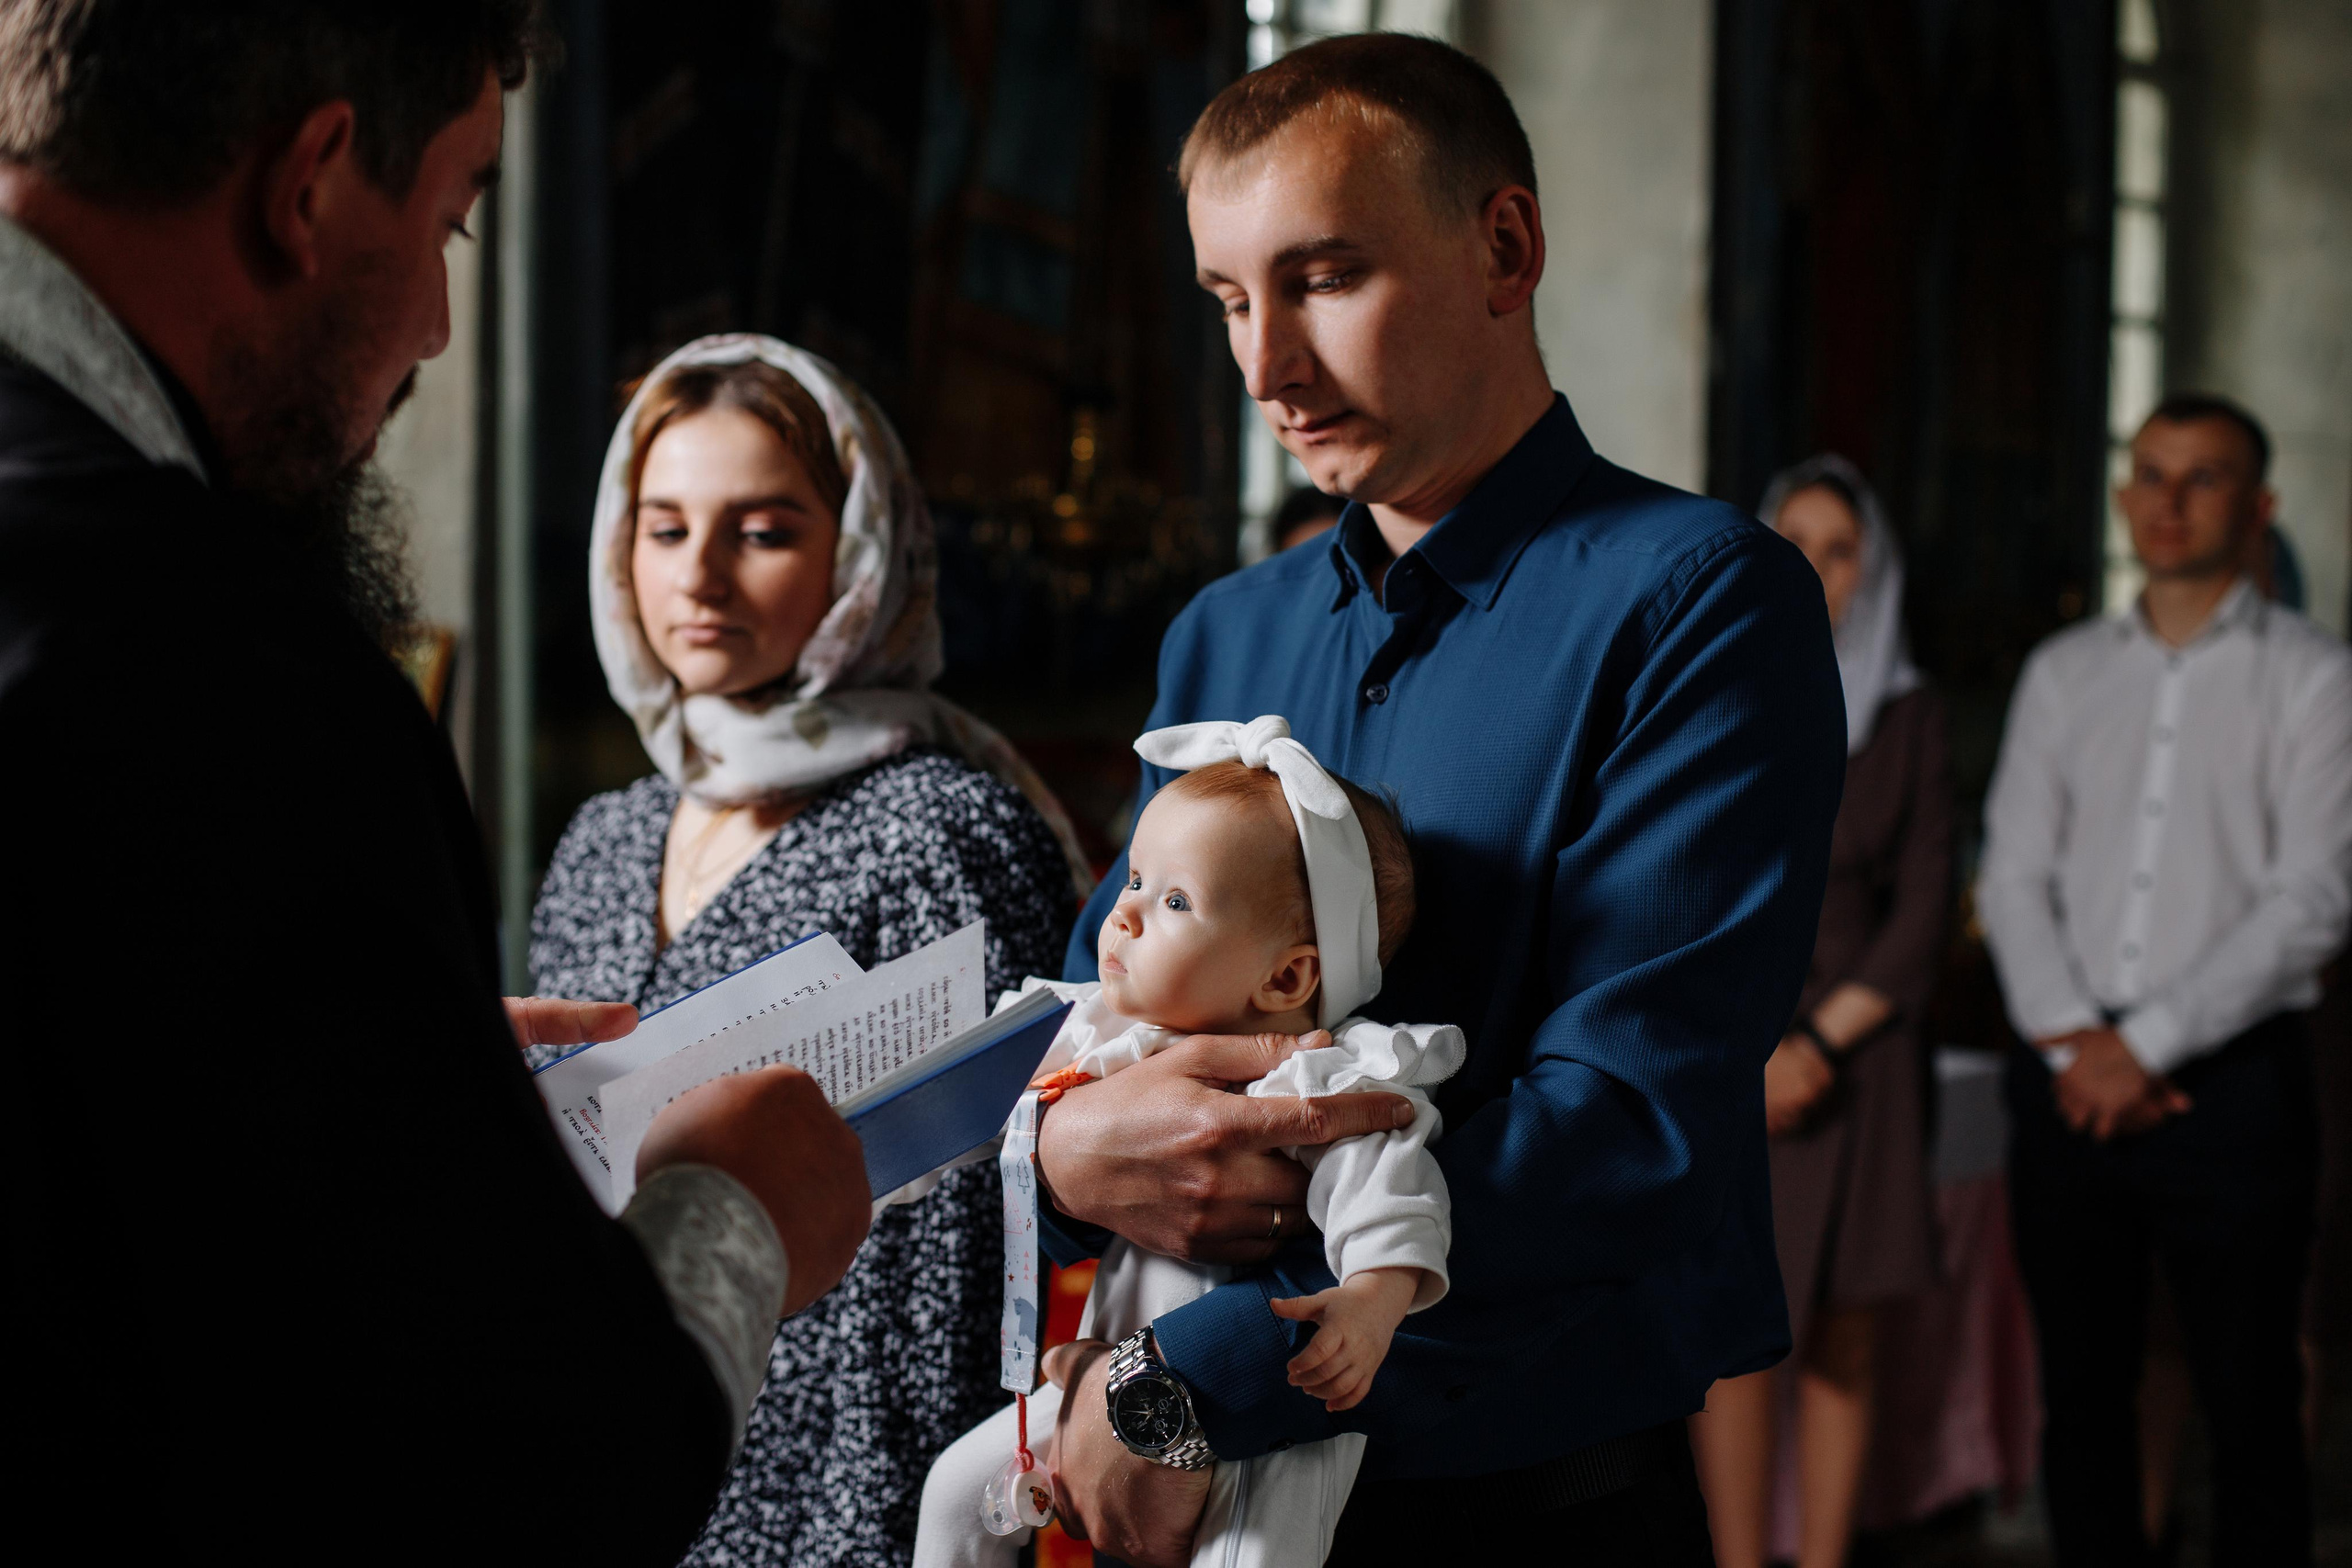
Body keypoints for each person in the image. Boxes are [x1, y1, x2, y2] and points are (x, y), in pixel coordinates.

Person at [2, 6, 871, 1561]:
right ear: (313, 182)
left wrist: (379, 1068)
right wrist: (736, 1211)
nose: (438, 329)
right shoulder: (221, 666)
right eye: (452, 222)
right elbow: (506, 1475)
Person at [1023, 34, 1848, 1568]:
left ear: (1505, 248)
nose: (1266, 365)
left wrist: (1186, 1386)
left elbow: (1627, 1126)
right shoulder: (1225, 635)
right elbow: (1099, 1017)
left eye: (1325, 278)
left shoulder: (1699, 602)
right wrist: (1061, 1160)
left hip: (1517, 1502)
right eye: (1229, 300)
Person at [532, 333, 1083, 1566]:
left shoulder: (944, 829)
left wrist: (876, 1533)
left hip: (836, 1482)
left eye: (763, 531)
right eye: (664, 528)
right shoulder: (602, 838)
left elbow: (958, 1256)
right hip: (611, 1441)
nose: (699, 575)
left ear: (860, 553)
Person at [916, 716, 1460, 1568]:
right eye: (1135, 878)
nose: (1124, 912)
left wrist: (1372, 1298)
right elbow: (971, 1094)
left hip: (1264, 1420)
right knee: (955, 1492)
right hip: (1103, 1374)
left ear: (1286, 976)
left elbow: (1390, 1185)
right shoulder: (1101, 1029)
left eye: (1174, 901)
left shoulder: (1318, 1077)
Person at [1977, 391, 2352, 1565]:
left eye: (2203, 476)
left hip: (2232, 1087)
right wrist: (2075, 1039)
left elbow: (2313, 899)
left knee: (2249, 1402)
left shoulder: (2317, 677)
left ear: (2259, 506)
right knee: (2081, 1398)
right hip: (2063, 1077)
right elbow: (2010, 876)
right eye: (2150, 474)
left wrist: (2140, 1048)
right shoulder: (2062, 673)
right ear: (2122, 495)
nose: (2169, 500)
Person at [1686, 456, 1951, 1568]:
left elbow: (1924, 908)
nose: (1814, 568)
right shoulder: (1704, 696)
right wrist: (1749, 1054)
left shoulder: (1905, 714)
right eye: (1793, 540)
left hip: (1858, 1057)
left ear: (1871, 572)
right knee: (1732, 1334)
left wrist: (1816, 1045)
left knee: (1844, 1330)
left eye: (1840, 551)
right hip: (1727, 1052)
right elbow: (1679, 891)